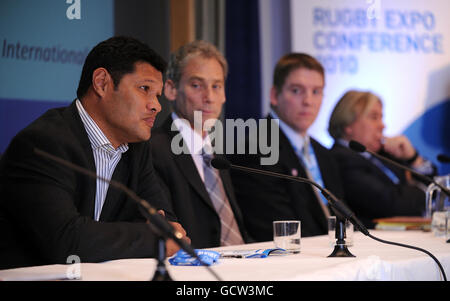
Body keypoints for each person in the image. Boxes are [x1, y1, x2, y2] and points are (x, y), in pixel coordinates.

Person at [0, 36, 188, 269]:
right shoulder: (43, 143)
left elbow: (167, 224)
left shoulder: (136, 149)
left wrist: (156, 233)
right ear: (101, 83)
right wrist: (151, 237)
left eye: (157, 95)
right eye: (144, 89)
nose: (156, 106)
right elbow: (66, 241)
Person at [229, 53, 345, 241]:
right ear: (275, 95)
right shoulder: (256, 150)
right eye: (297, 90)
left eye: (316, 91)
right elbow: (278, 229)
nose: (308, 101)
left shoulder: (324, 154)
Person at [150, 40, 250, 248]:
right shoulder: (154, 149)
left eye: (216, 86)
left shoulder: (219, 152)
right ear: (171, 89)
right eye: (196, 85)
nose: (209, 97)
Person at [328, 90, 436, 228]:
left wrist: (413, 158)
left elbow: (436, 188)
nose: (382, 125)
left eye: (381, 117)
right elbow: (393, 205)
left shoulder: (384, 154)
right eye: (374, 117)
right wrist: (422, 190)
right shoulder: (341, 158)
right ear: (348, 124)